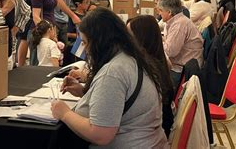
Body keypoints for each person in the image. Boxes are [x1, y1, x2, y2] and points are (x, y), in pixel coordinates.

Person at [51, 8, 167, 148]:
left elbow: (101, 134)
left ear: (99, 42)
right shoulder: (131, 59)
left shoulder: (113, 72)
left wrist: (64, 113)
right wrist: (85, 92)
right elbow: (120, 100)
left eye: (86, 43)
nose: (86, 50)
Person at [126, 15, 174, 138]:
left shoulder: (146, 68)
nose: (125, 40)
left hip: (151, 134)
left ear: (140, 38)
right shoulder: (158, 60)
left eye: (129, 36)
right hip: (157, 130)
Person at [157, 0, 203, 90]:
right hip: (182, 64)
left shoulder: (179, 25)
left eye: (160, 10)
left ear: (169, 12)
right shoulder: (176, 20)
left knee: (153, 78)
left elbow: (170, 52)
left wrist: (156, 43)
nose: (159, 13)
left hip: (181, 71)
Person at [28, 0, 63, 65]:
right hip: (40, 32)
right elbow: (35, 15)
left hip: (49, 30)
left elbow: (51, 13)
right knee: (37, 63)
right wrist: (45, 33)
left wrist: (53, 33)